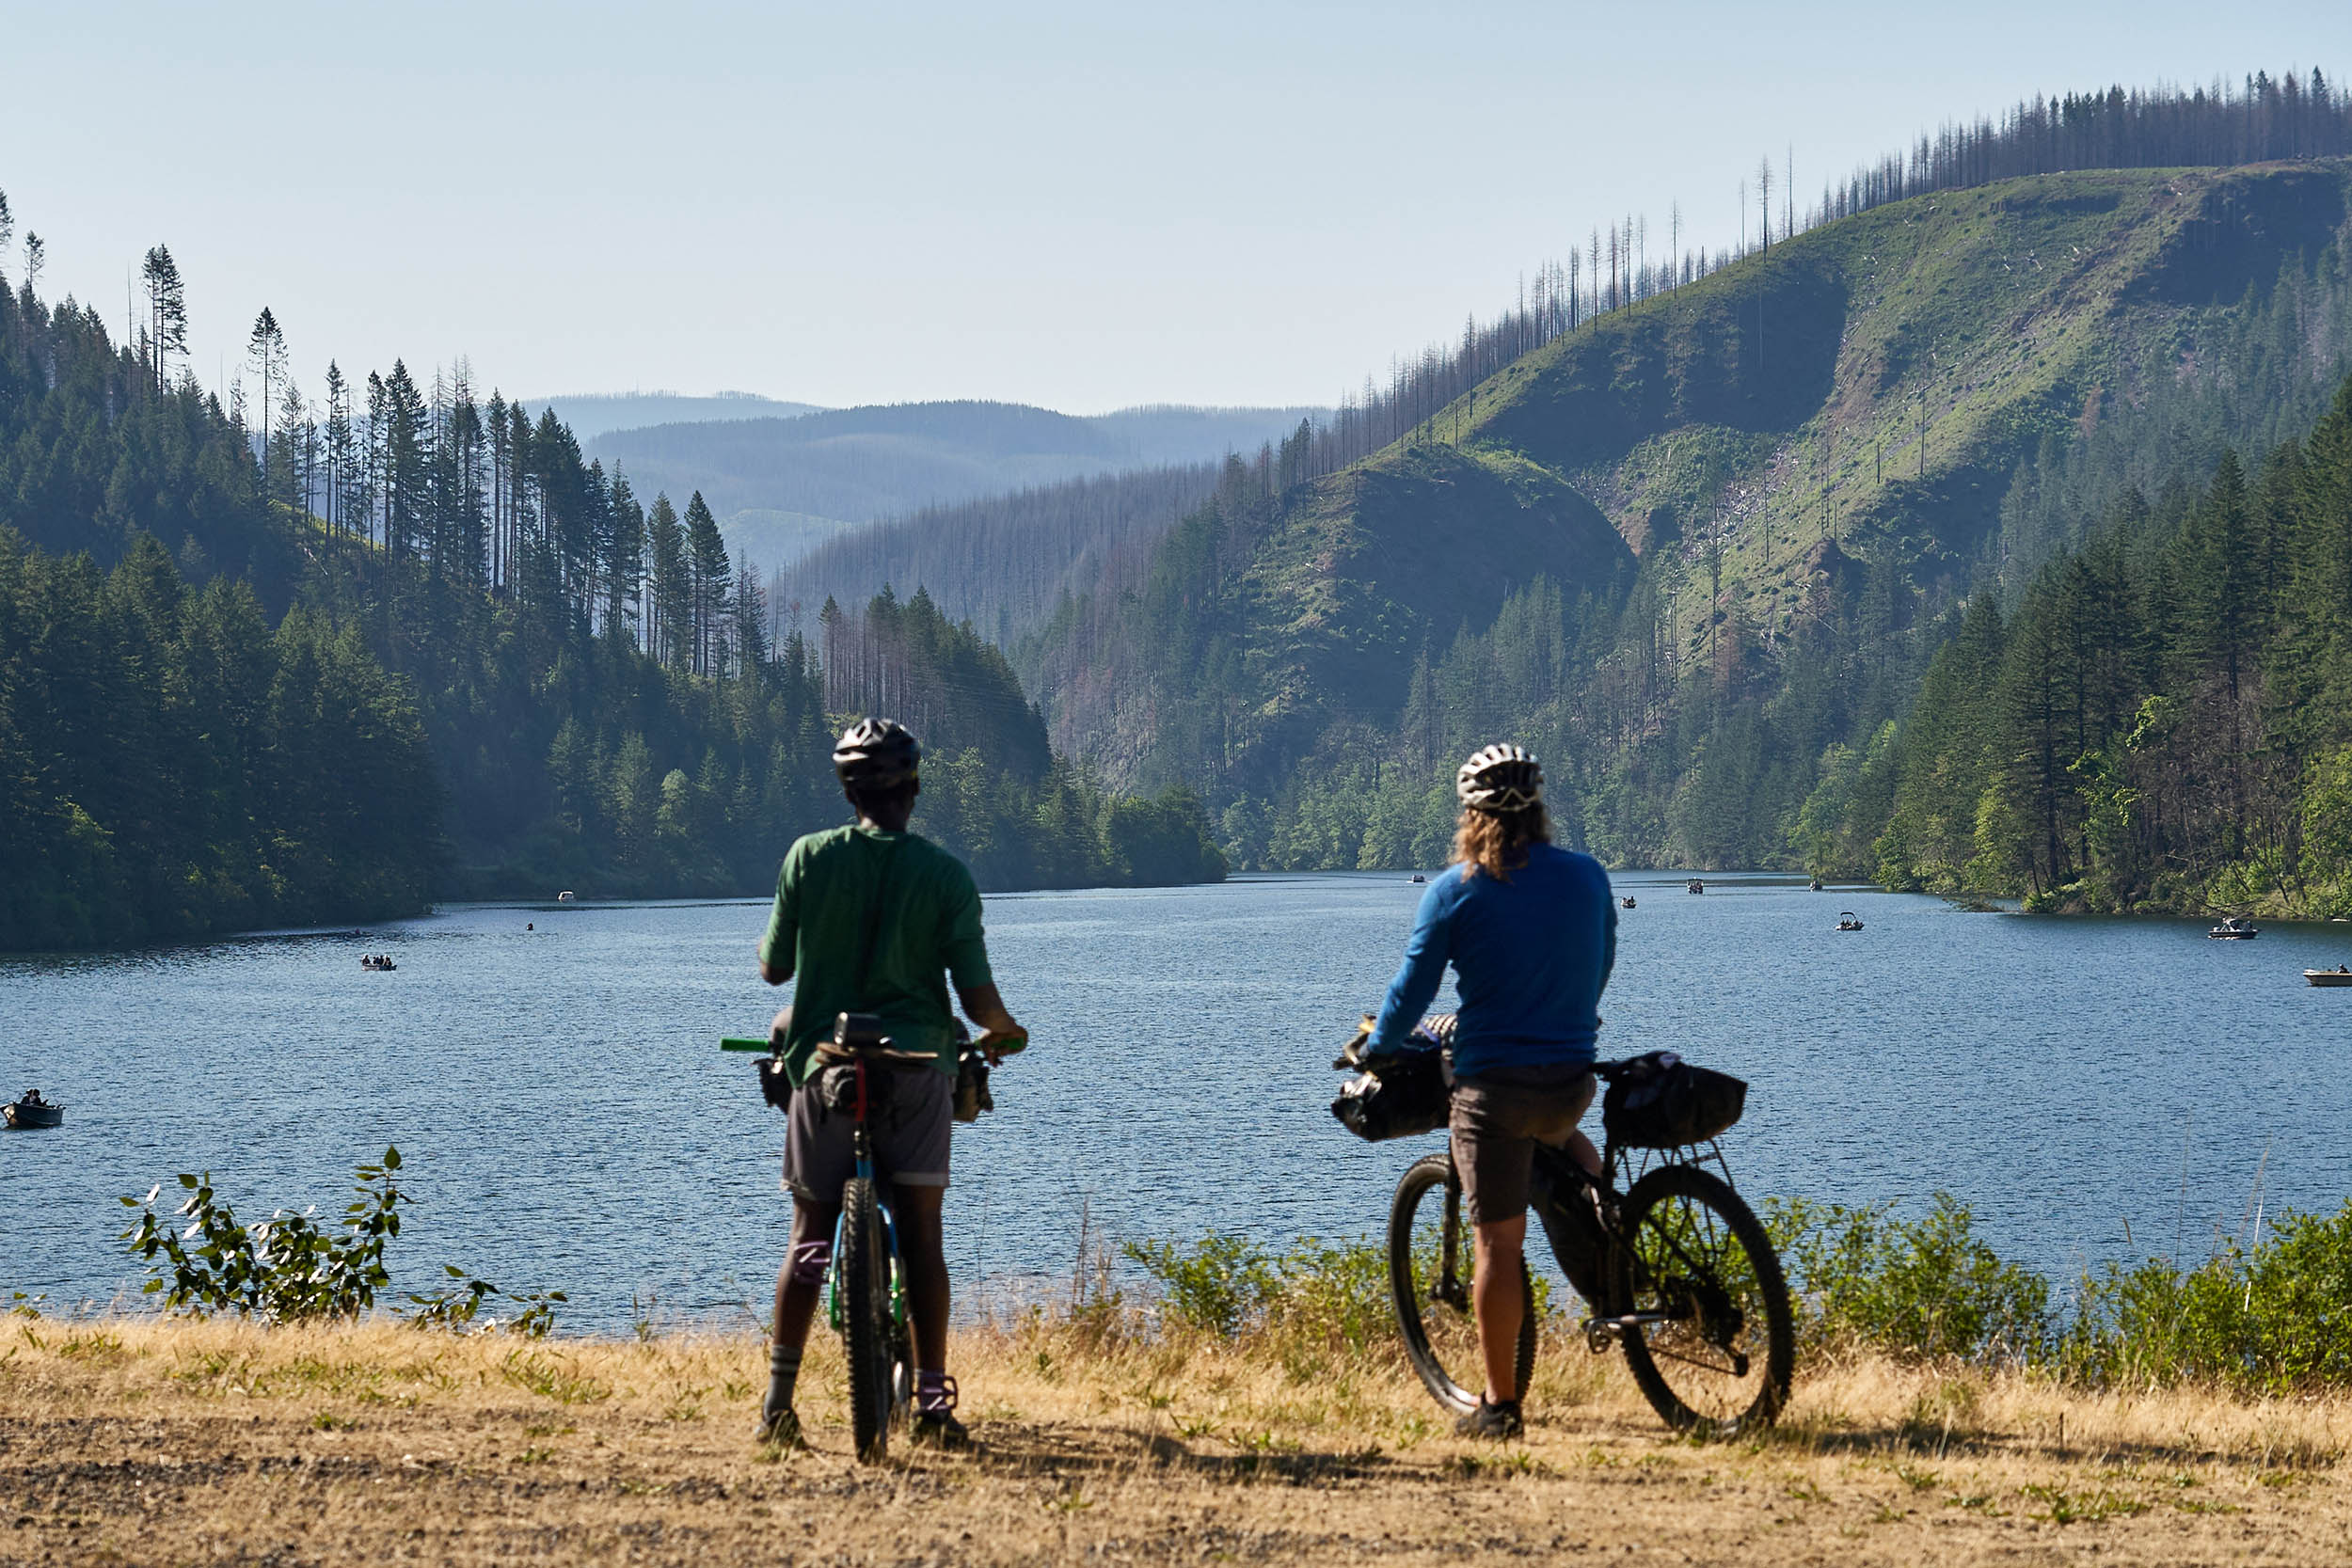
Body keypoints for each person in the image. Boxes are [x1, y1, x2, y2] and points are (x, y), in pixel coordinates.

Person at [754, 718, 1026, 1450]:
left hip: (828, 1069)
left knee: (811, 1234)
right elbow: (975, 998)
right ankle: (933, 1406)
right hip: (914, 1072)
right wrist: (1006, 1031)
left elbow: (775, 970)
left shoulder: (806, 859)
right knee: (921, 1237)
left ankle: (778, 1403)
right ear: (913, 788)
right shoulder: (943, 875)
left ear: (846, 789)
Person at [1366, 743, 1615, 1439]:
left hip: (1494, 1091)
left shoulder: (1457, 888)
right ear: (1538, 808)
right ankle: (1613, 1241)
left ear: (1471, 814)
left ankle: (1500, 1407)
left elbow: (1411, 992)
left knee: (1499, 1248)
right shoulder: (1588, 876)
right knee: (1562, 1135)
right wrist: (1562, 1016)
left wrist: (1379, 1049)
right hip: (1571, 1078)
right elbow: (1601, 960)